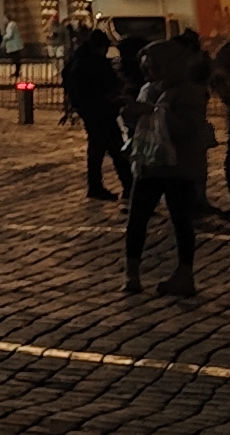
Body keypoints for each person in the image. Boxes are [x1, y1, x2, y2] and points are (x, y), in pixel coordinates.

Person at [123, 26, 213, 297]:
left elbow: (187, 127)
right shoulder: (148, 89)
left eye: (152, 67)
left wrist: (152, 112)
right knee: (137, 218)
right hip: (149, 164)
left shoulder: (189, 92)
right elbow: (141, 126)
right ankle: (132, 272)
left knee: (181, 219)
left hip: (178, 166)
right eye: (145, 68)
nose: (147, 73)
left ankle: (185, 273)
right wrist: (130, 114)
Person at [64, 24, 127, 200]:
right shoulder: (93, 63)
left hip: (90, 110)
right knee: (113, 147)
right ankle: (123, 184)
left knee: (100, 148)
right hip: (101, 110)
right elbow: (105, 84)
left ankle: (101, 185)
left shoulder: (78, 60)